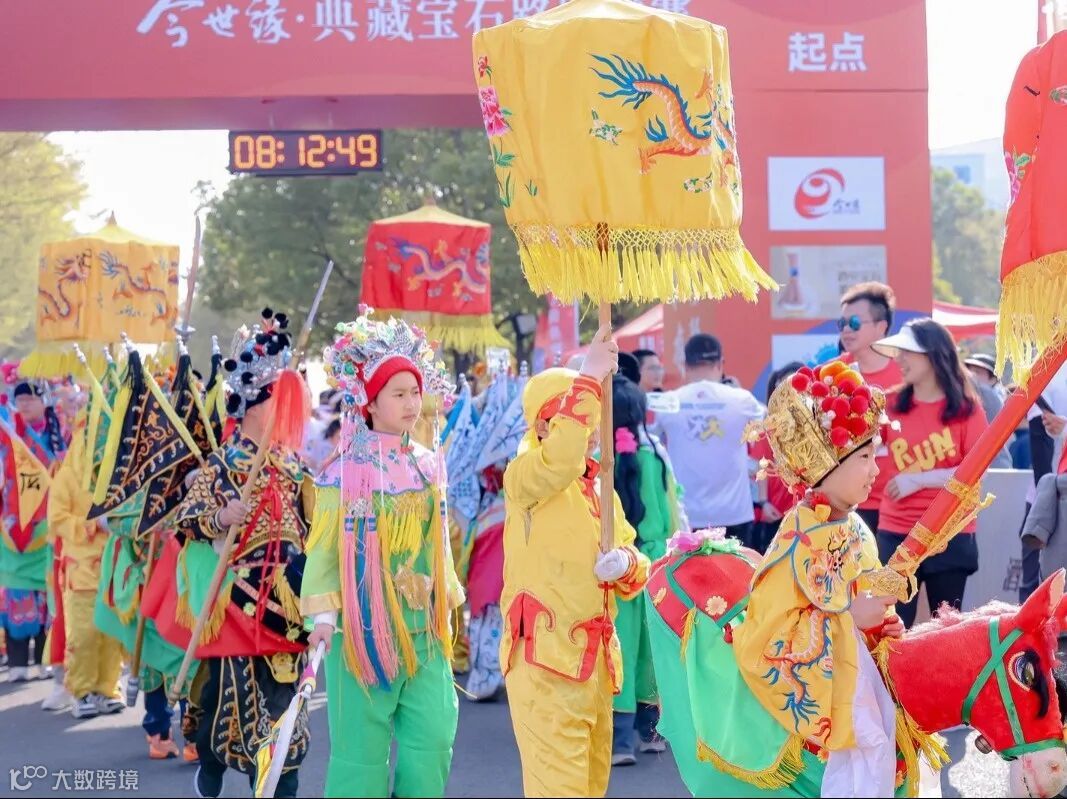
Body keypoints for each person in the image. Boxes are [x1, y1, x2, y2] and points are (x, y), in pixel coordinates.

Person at [302, 311, 464, 798]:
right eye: (398, 394)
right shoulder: (341, 473)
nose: (412, 403)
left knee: (433, 740)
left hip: (423, 630)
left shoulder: (428, 464)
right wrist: (323, 618)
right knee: (361, 756)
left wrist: (447, 600)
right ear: (369, 402)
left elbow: (438, 544)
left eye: (415, 392)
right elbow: (325, 551)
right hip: (362, 632)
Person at [732, 360, 908, 795]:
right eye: (864, 457)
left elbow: (865, 597)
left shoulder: (856, 527)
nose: (875, 470)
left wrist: (883, 626)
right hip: (834, 708)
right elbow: (765, 642)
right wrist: (850, 620)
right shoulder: (799, 537)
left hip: (864, 685)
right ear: (827, 465)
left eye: (874, 456)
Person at [500, 327, 650, 798]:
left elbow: (637, 562)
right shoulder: (524, 477)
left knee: (590, 788)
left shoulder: (599, 488)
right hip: (544, 665)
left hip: (596, 669)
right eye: (577, 418)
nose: (589, 430)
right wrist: (588, 377)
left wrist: (624, 563)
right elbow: (561, 460)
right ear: (544, 427)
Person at [171, 310, 314, 799]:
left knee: (285, 708)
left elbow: (313, 527)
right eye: (277, 398)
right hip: (238, 598)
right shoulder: (224, 463)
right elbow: (185, 520)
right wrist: (219, 517)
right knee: (224, 697)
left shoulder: (293, 464)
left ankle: (277, 783)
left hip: (288, 599)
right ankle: (211, 762)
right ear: (254, 404)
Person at [872, 319, 988, 627]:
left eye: (908, 352)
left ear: (934, 354)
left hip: (949, 532)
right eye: (898, 352)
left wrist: (917, 480)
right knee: (889, 627)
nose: (900, 359)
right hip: (897, 531)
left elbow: (975, 471)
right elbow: (862, 450)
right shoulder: (889, 404)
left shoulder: (968, 409)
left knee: (945, 629)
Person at [610, 376, 682, 766]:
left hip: (615, 566)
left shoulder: (600, 460)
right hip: (653, 564)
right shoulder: (654, 455)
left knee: (618, 647)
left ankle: (619, 741)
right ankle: (652, 733)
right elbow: (672, 512)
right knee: (651, 650)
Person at [47, 403, 124, 719]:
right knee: (84, 633)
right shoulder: (67, 476)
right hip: (80, 567)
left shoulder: (117, 476)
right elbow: (57, 519)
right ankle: (81, 691)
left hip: (113, 565)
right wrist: (93, 525)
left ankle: (107, 688)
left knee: (111, 631)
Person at [653, 334, 764, 546]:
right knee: (736, 568)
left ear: (685, 365)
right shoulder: (742, 400)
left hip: (685, 515)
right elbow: (769, 426)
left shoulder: (668, 402)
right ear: (720, 363)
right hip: (734, 513)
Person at [0, 381, 64, 683]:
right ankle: (16, 661)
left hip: (46, 527)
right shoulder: (8, 434)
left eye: (29, 399)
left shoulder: (57, 436)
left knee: (45, 597)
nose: (24, 404)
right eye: (20, 399)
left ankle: (42, 658)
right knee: (14, 593)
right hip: (11, 527)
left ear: (44, 402)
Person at [837, 282, 903, 534]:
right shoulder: (834, 372)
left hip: (897, 501)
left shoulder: (906, 373)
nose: (846, 330)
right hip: (847, 501)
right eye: (842, 323)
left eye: (854, 323)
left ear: (881, 327)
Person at [748, 361, 803, 553]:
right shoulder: (769, 427)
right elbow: (761, 465)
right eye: (784, 386)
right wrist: (764, 503)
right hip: (775, 511)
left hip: (807, 509)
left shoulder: (816, 423)